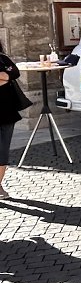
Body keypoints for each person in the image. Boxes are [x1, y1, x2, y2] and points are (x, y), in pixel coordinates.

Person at [0, 42, 25, 199]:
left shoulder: (3, 59)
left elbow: (14, 72)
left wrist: (4, 76)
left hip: (7, 113)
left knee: (2, 152)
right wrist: (3, 77)